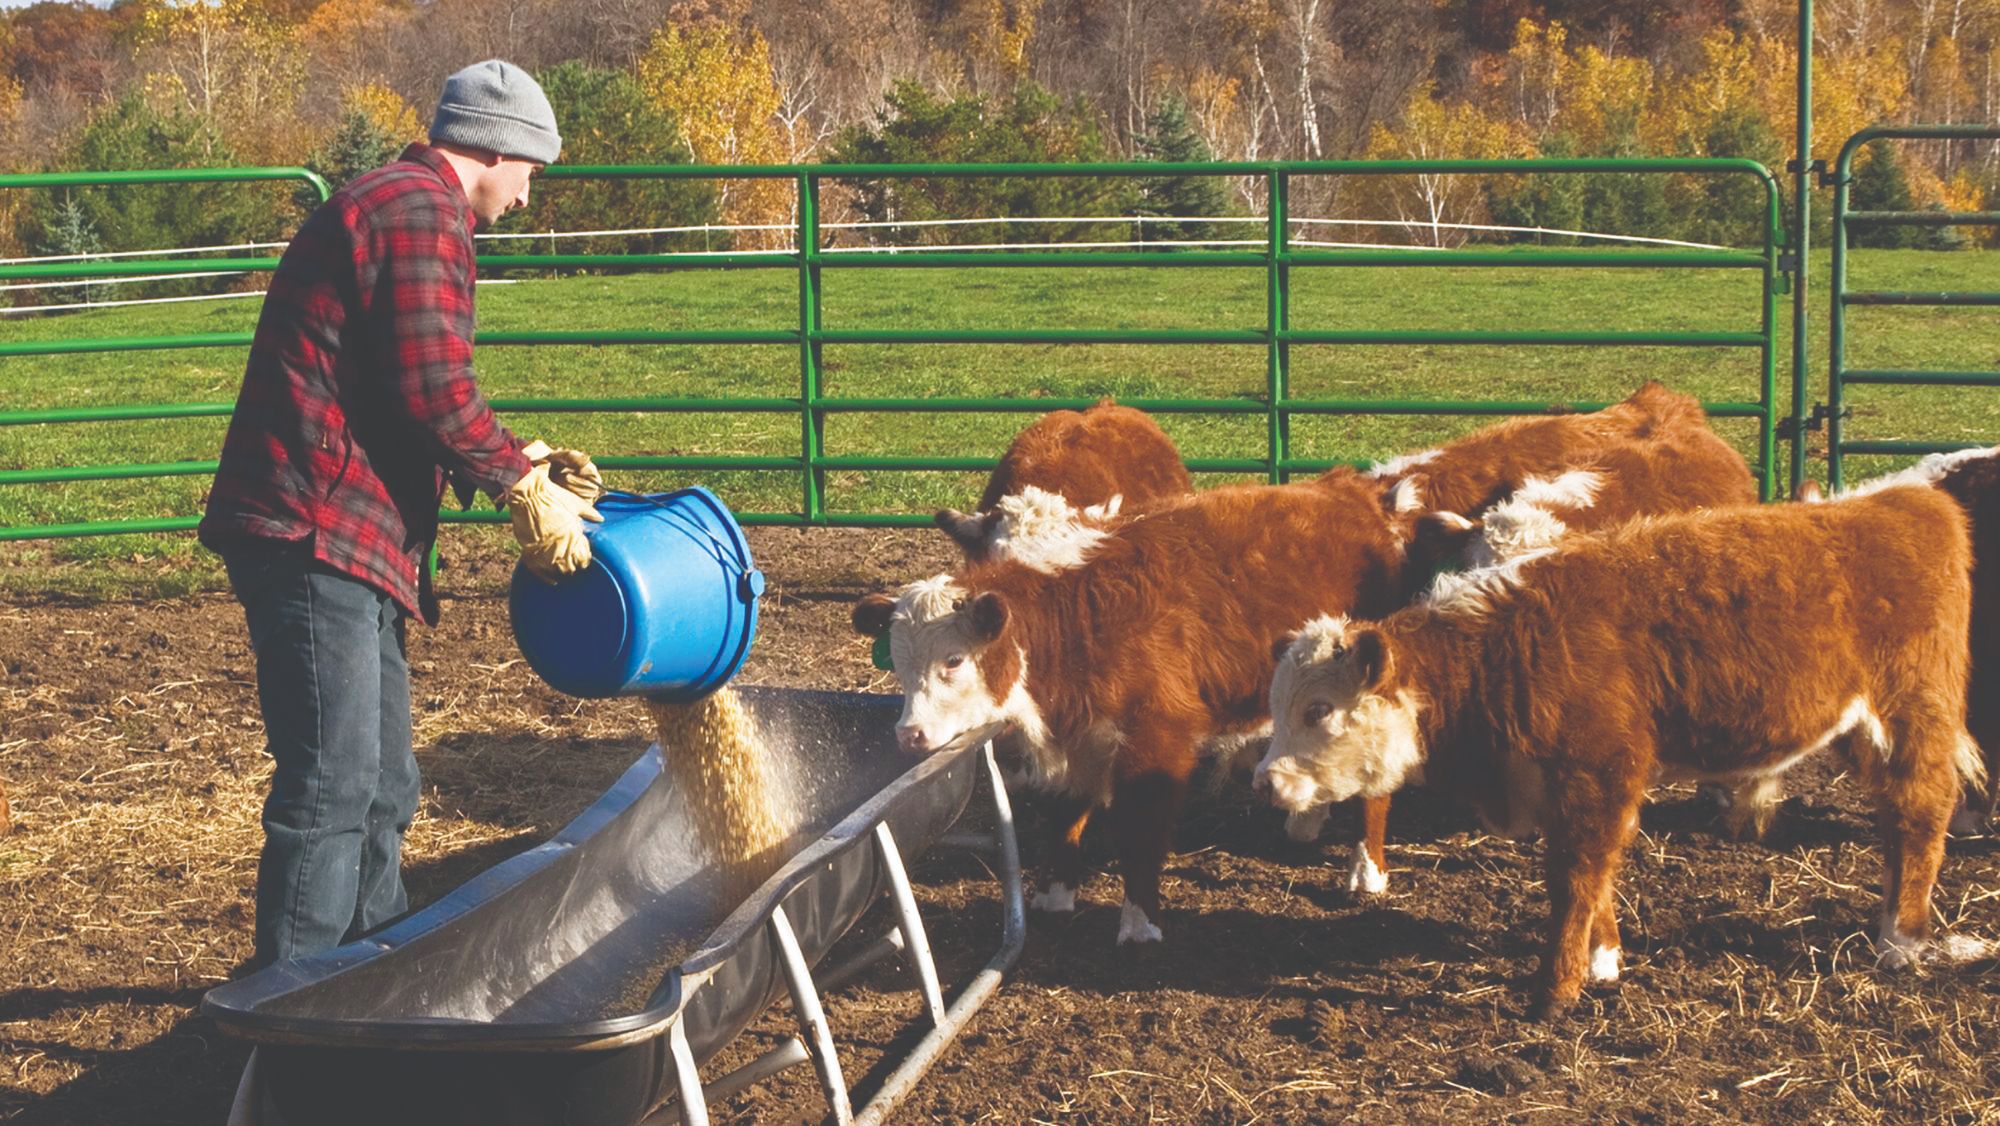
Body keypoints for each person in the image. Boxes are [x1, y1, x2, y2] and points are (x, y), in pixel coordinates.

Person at [199, 59, 600, 969]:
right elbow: (432, 385)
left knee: (384, 784)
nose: (531, 194)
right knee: (335, 784)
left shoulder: (399, 206)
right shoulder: (419, 213)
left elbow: (395, 382)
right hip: (315, 530)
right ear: (496, 146)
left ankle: (371, 980)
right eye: (533, 168)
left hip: (344, 529)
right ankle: (289, 1018)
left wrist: (515, 456)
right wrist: (514, 484)